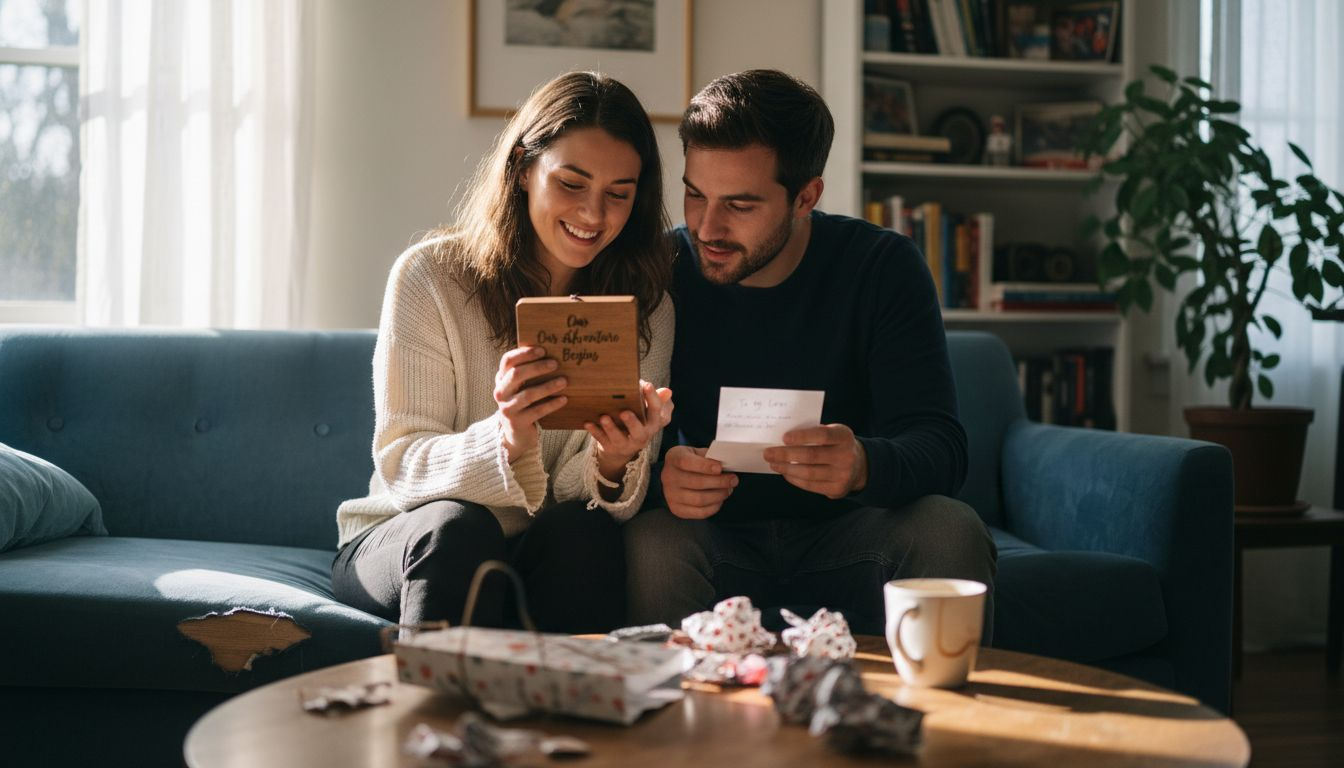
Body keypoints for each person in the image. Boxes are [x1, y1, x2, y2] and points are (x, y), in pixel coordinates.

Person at [625, 69, 996, 637]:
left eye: (741, 205)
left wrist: (863, 465)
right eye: (695, 194)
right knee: (652, 540)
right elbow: (601, 448)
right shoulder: (660, 269)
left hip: (854, 532)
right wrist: (658, 479)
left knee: (950, 528)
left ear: (806, 196)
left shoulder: (882, 268)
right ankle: (677, 720)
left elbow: (941, 446)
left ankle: (946, 721)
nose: (707, 226)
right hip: (714, 538)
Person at [333, 71, 675, 634]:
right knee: (458, 528)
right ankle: (428, 719)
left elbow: (578, 497)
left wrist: (614, 462)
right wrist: (508, 436)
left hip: (536, 546)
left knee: (584, 531)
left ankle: (573, 718)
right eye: (571, 183)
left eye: (619, 194)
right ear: (522, 168)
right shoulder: (432, 276)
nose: (593, 214)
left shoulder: (647, 307)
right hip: (406, 534)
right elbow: (402, 464)